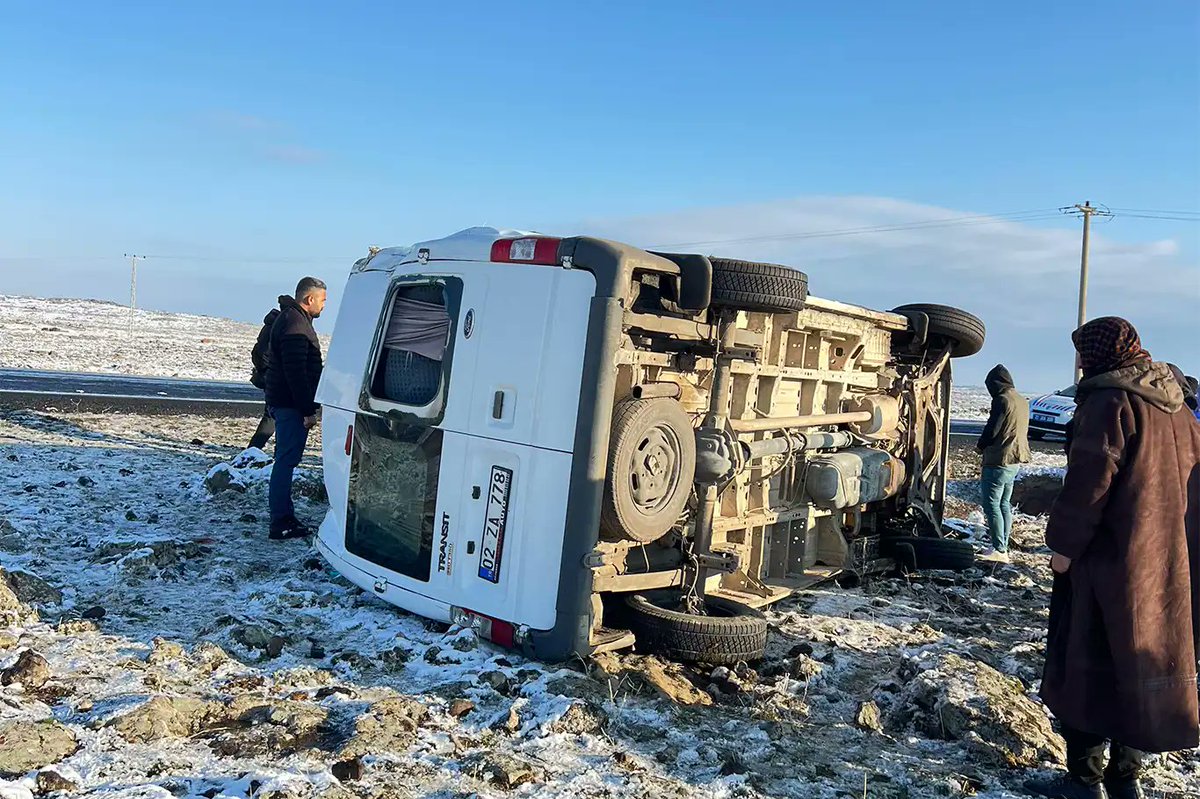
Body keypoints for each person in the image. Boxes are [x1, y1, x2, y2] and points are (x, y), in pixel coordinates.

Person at [1026, 317, 1200, 799]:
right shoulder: (1178, 408)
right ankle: (1126, 778)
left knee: (1084, 662)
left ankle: (1084, 780)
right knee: (1138, 664)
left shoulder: (1110, 402)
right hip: (1167, 562)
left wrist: (1063, 548)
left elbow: (1088, 487)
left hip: (1109, 563)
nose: (1080, 362)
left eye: (1084, 351)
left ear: (1103, 353)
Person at [265, 277, 327, 540]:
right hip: (290, 406)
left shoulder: (295, 320)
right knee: (286, 461)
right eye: (323, 300)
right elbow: (295, 372)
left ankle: (283, 516)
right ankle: (281, 521)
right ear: (309, 299)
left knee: (285, 460)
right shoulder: (295, 324)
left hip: (286, 403)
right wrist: (307, 410)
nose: (325, 306)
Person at [975, 364, 1031, 563]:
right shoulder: (1021, 400)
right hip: (1015, 460)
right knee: (1004, 504)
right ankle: (1003, 545)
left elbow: (993, 428)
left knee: (991, 504)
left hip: (998, 459)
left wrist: (980, 446)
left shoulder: (1002, 400)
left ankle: (999, 549)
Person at [246, 307, 281, 451]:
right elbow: (262, 354)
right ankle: (253, 451)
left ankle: (252, 451)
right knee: (272, 418)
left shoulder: (270, 325)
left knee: (272, 418)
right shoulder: (277, 326)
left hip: (272, 378)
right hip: (275, 380)